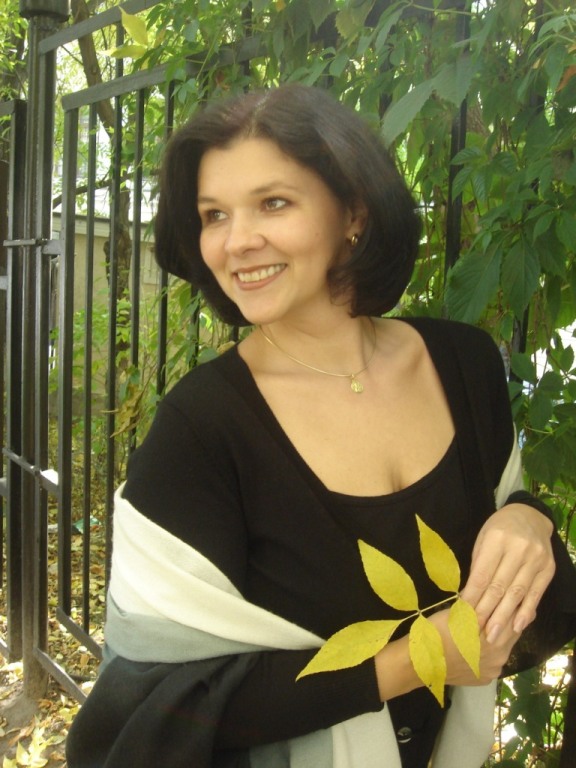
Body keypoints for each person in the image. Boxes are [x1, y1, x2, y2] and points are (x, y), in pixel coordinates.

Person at [66, 84, 576, 768]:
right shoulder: (201, 429)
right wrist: (411, 662)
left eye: (273, 203)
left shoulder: (465, 363)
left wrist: (529, 518)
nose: (236, 241)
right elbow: (147, 708)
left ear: (354, 214)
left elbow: (523, 582)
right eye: (214, 215)